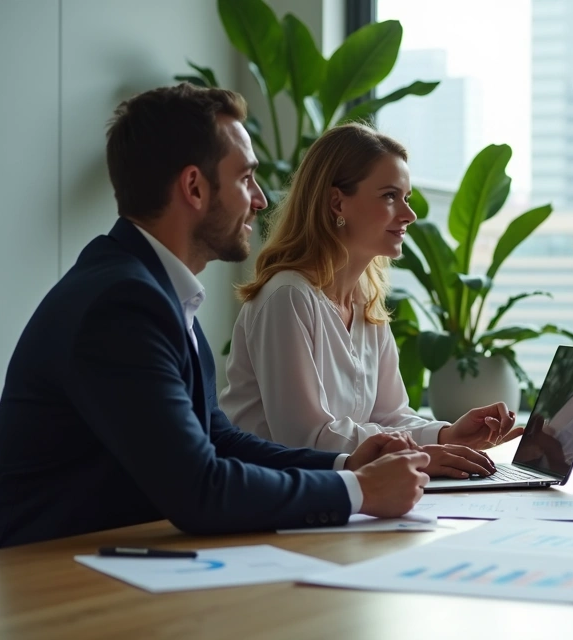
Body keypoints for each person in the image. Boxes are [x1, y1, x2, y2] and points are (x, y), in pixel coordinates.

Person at [0, 84, 431, 548]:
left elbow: (220, 440)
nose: (261, 199)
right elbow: (198, 489)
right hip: (45, 575)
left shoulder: (154, 290)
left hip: (107, 558)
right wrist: (359, 491)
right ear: (194, 187)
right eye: (246, 178)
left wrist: (346, 464)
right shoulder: (122, 304)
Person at [219, 123, 521, 480]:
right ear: (337, 202)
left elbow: (390, 416)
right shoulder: (288, 297)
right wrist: (423, 454)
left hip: (343, 497)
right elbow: (304, 439)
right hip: (278, 501)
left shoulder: (366, 302)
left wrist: (447, 434)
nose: (409, 215)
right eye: (390, 196)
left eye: (406, 198)